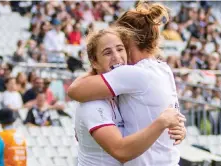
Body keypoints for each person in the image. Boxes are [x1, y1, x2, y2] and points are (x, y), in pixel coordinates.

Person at [68, 3, 186, 166]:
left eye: (120, 47)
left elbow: (75, 90)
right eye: (108, 52)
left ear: (127, 41)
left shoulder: (131, 75)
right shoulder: (163, 69)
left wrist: (173, 126)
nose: (117, 56)